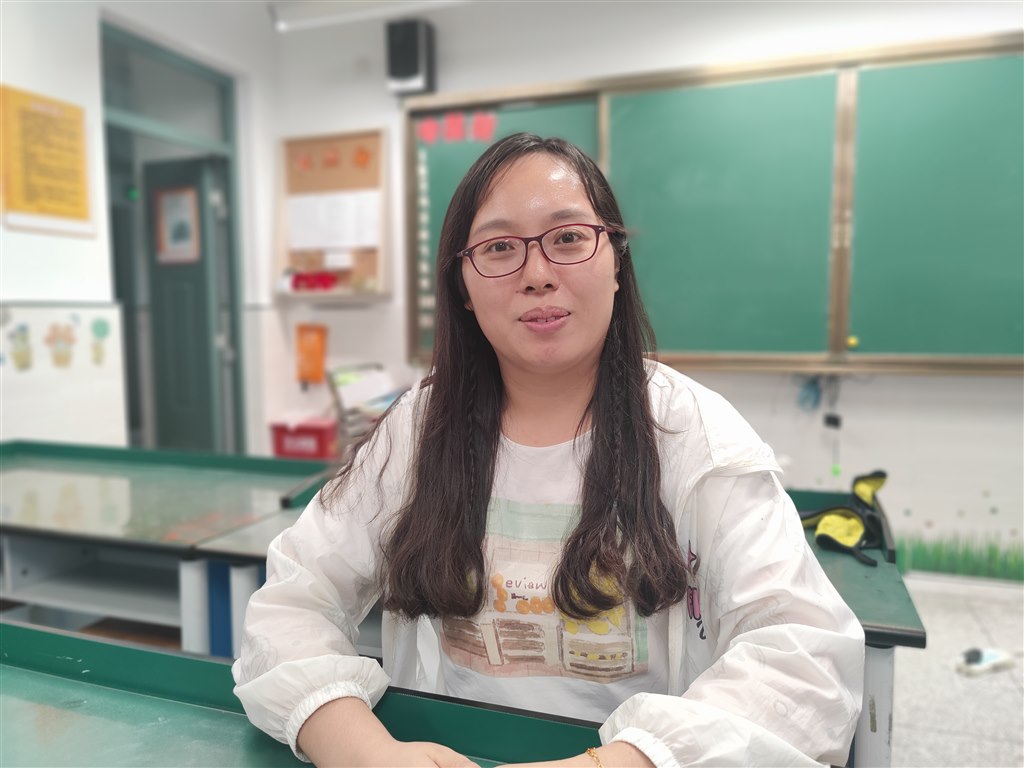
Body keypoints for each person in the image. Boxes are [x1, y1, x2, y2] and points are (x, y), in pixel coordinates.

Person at [233, 133, 865, 767]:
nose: (537, 275)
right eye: (499, 248)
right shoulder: (417, 431)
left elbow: (805, 659)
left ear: (615, 263)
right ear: (462, 287)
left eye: (567, 238)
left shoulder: (695, 435)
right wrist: (363, 751)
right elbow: (293, 602)